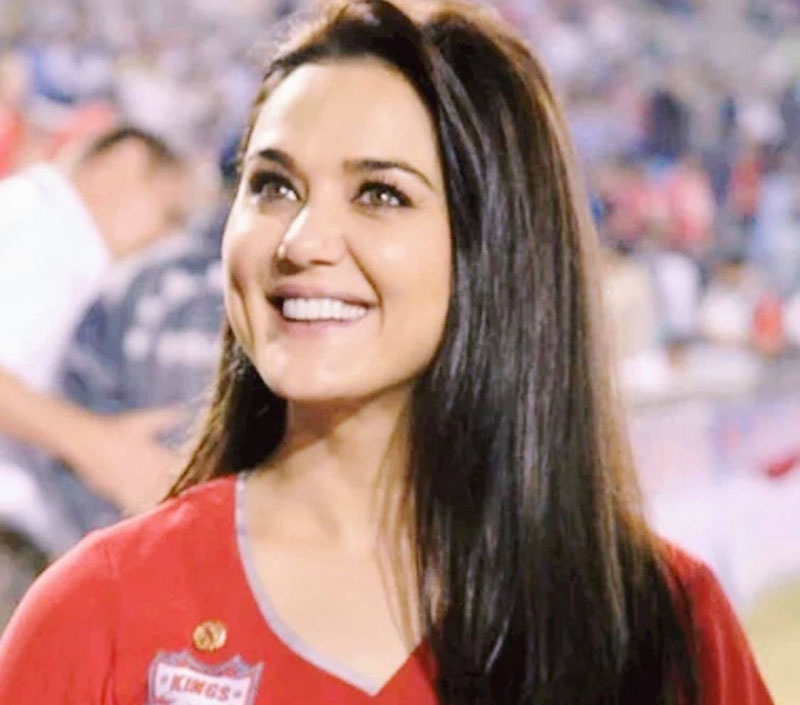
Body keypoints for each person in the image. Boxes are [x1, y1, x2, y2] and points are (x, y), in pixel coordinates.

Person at [0, 1, 773, 703]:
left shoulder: (659, 626)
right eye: (272, 186)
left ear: (493, 247)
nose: (302, 241)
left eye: (380, 194)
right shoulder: (101, 608)